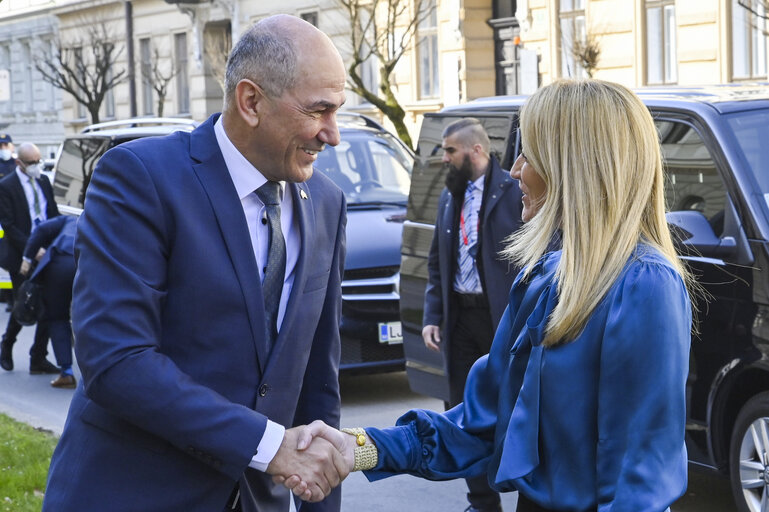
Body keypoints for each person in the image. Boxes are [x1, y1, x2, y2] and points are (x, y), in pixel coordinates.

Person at [286, 79, 696, 512]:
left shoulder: (645, 283)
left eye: (529, 154)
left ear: (574, 166)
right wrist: (357, 447)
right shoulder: (546, 274)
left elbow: (638, 486)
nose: (515, 169)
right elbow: (479, 423)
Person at [44, 15, 350, 512]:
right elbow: (116, 361)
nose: (331, 135)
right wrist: (269, 447)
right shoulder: (140, 177)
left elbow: (317, 381)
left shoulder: (327, 202)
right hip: (133, 495)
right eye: (319, 111)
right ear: (251, 101)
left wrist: (318, 501)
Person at [422, 118, 523, 512]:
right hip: (461, 319)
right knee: (463, 411)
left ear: (475, 151)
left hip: (501, 320)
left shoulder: (513, 192)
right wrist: (434, 315)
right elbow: (437, 262)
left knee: (513, 410)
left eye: (450, 151)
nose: (444, 158)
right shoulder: (451, 196)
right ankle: (482, 503)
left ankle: (528, 498)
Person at [0, 142, 59, 374]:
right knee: (23, 304)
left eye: (38, 161)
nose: (36, 166)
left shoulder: (43, 181)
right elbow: (10, 225)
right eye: (31, 163)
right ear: (19, 163)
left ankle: (38, 357)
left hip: (47, 253)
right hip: (21, 257)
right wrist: (33, 248)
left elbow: (52, 213)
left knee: (50, 305)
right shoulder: (6, 186)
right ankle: (7, 344)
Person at [20, 215, 78, 388]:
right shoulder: (103, 222)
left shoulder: (70, 219)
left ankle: (67, 372)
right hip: (89, 265)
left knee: (57, 317)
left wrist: (27, 258)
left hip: (61, 263)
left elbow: (41, 230)